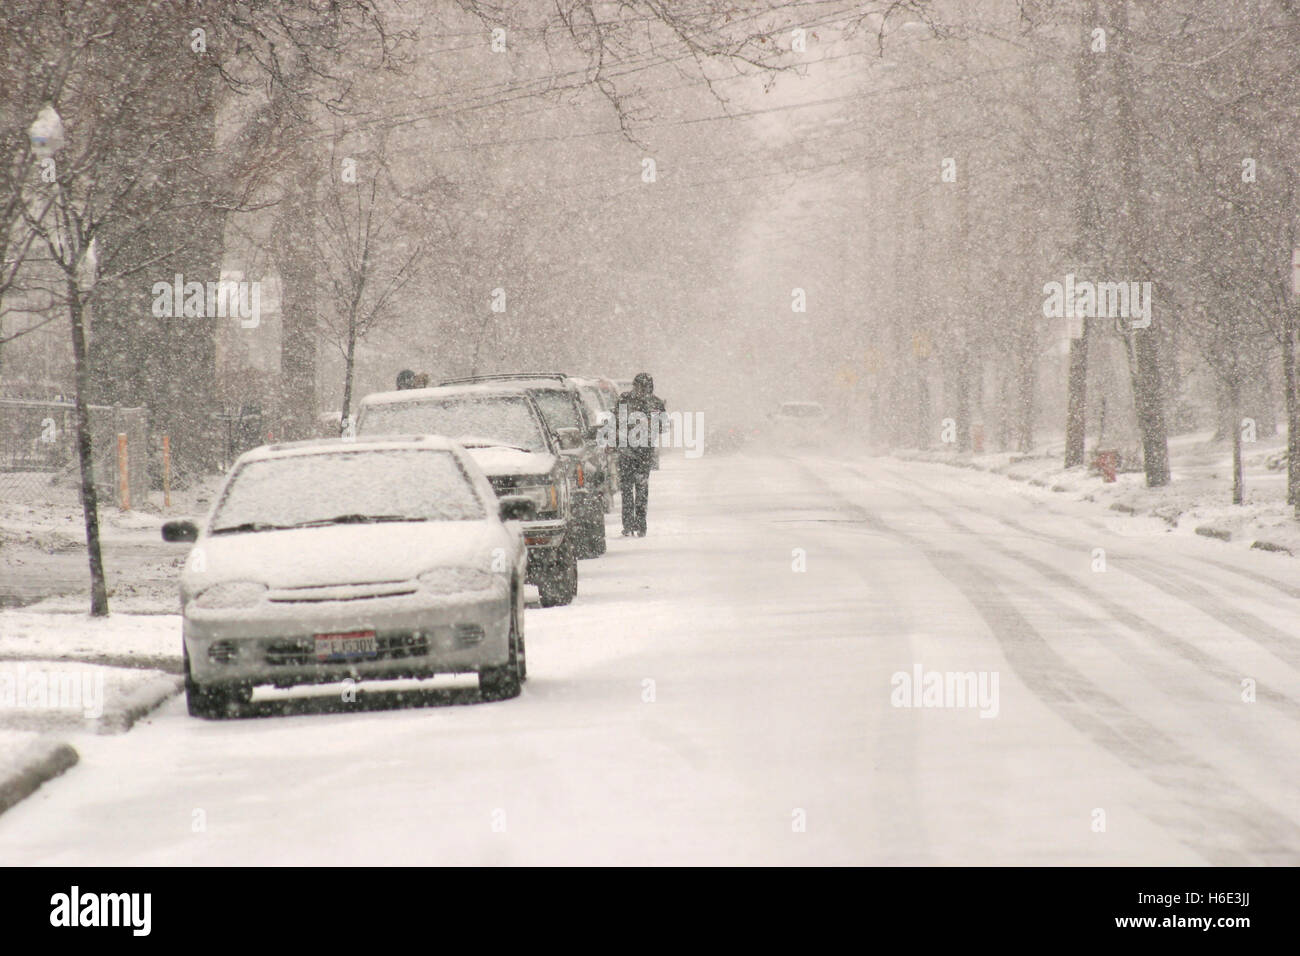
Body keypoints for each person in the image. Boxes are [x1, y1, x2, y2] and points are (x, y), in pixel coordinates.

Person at [614, 372, 665, 537]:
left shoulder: (627, 400)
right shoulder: (653, 402)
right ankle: (634, 524)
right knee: (634, 489)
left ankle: (635, 524)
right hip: (634, 452)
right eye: (640, 386)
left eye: (644, 387)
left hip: (635, 452)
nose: (641, 390)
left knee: (634, 489)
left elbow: (662, 427)